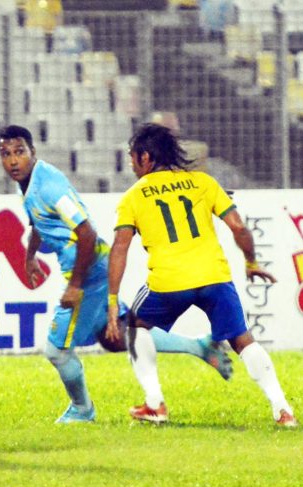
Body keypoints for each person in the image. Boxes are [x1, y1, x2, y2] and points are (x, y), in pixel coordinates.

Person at [0, 125, 235, 424]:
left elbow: (86, 232)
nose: (13, 160)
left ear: (33, 152)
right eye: (6, 154)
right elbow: (37, 222)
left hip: (90, 273)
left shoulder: (49, 187)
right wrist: (30, 255)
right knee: (115, 337)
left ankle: (83, 410)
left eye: (20, 152)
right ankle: (199, 346)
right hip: (91, 269)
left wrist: (75, 286)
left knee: (56, 351)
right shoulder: (29, 183)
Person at [106, 123, 297, 426]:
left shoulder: (133, 196)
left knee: (136, 323)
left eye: (132, 157)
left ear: (145, 157)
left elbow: (120, 247)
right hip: (214, 277)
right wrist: (250, 262)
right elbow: (238, 226)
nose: (131, 164)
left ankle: (155, 404)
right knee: (242, 339)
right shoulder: (202, 182)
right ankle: (282, 409)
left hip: (169, 281)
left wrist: (113, 298)